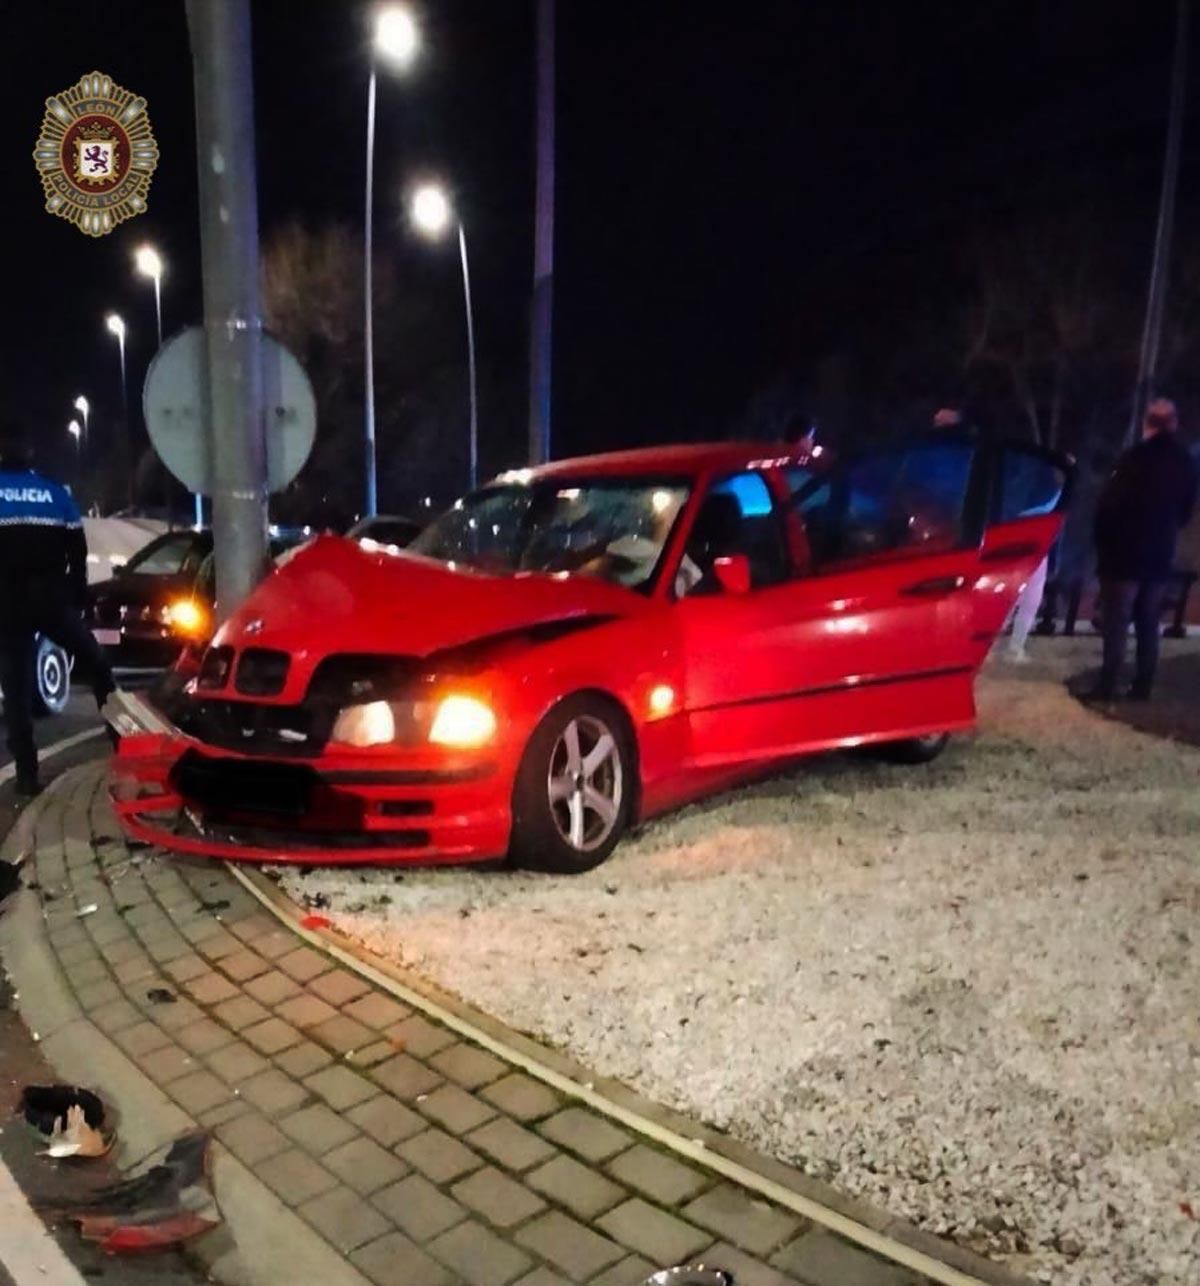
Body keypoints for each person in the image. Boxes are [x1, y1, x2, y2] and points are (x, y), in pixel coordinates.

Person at [0, 423, 116, 794]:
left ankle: (27, 775)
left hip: (8, 605)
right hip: (51, 601)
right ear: (29, 453)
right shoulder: (54, 493)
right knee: (97, 663)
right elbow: (77, 553)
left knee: (15, 689)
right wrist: (73, 596)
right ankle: (121, 740)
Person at [1090, 397, 1198, 700]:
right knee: (1149, 622)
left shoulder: (1132, 459)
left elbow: (1110, 506)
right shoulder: (1185, 463)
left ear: (1147, 423)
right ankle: (1142, 685)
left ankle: (1108, 683)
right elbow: (1186, 511)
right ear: (1174, 423)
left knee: (1117, 622)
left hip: (1124, 554)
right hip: (1159, 554)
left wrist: (1102, 544)